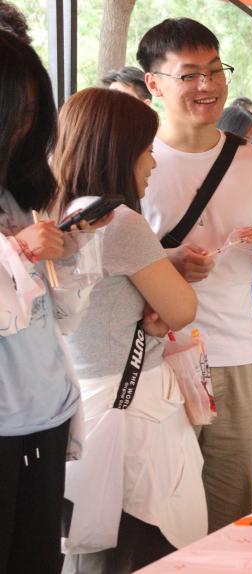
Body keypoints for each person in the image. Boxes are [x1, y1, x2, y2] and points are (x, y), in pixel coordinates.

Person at [136, 17, 252, 531]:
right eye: (189, 74)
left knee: (232, 510)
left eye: (215, 70)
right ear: (154, 83)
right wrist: (169, 264)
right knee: (160, 515)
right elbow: (107, 263)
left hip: (234, 354)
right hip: (155, 361)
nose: (207, 85)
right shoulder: (135, 161)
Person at [53, 88, 202, 573]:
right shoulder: (119, 221)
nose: (152, 162)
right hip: (136, 410)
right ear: (118, 150)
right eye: (146, 149)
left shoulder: (59, 213)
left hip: (83, 400)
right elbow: (181, 309)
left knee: (93, 548)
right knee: (143, 546)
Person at [0, 28, 88, 574]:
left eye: (34, 113)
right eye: (17, 112)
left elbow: (63, 318)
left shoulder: (21, 192)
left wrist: (68, 255)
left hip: (47, 413)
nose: (25, 127)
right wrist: (16, 253)